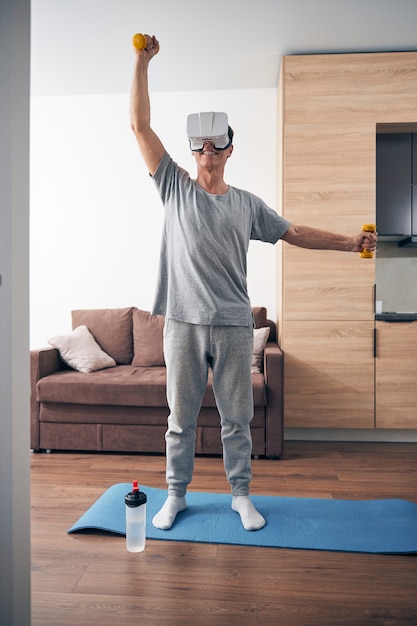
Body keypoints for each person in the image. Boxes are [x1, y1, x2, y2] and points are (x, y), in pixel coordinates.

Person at [130, 35, 377, 532]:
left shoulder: (246, 204)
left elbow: (296, 232)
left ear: (228, 148)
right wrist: (142, 60)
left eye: (215, 142)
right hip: (181, 322)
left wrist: (351, 243)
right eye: (199, 143)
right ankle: (176, 496)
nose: (206, 149)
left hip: (232, 325)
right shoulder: (174, 186)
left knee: (235, 421)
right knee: (179, 421)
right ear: (192, 149)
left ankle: (240, 496)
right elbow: (139, 124)